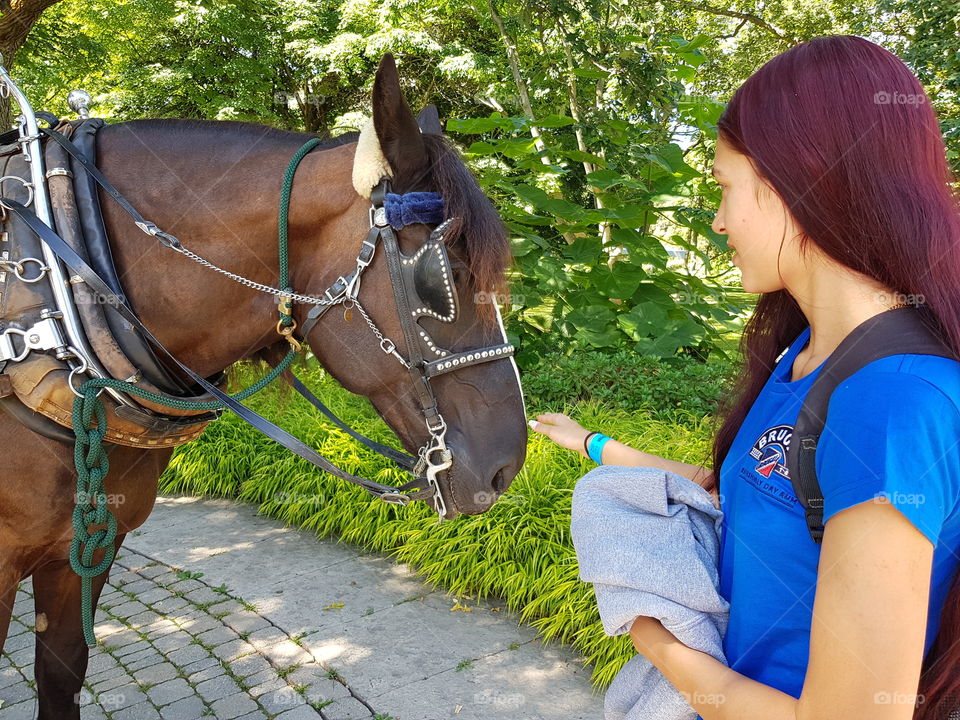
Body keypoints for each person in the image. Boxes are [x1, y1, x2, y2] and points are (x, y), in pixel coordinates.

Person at [530, 34, 960, 720]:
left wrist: (655, 636)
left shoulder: (894, 403)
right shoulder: (806, 355)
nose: (718, 220)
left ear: (800, 184)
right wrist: (593, 446)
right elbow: (749, 490)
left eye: (726, 189)